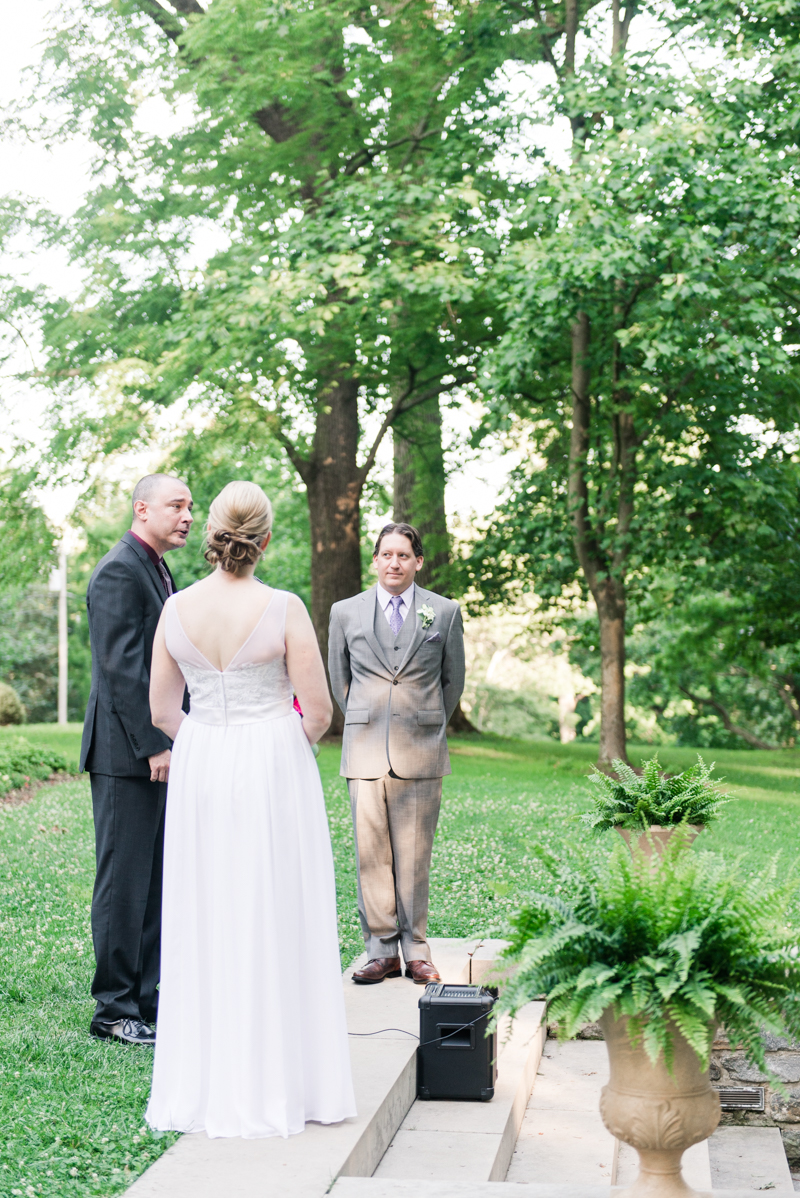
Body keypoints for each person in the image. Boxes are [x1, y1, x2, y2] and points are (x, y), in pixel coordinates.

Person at [146, 480, 356, 1138]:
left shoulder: (175, 609)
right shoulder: (284, 607)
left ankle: (207, 1083)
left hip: (202, 765)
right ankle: (285, 1081)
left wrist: (209, 744)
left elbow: (160, 711)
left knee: (206, 910)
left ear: (211, 533)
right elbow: (318, 713)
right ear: (265, 540)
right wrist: (273, 748)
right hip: (272, 767)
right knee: (276, 907)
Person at [81, 473, 194, 1046]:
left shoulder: (154, 566)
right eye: (176, 505)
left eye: (191, 507)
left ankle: (146, 1001)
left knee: (153, 882)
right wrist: (155, 744)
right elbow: (121, 671)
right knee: (124, 883)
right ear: (142, 507)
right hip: (128, 754)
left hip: (155, 751)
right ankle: (113, 1010)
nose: (187, 516)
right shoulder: (120, 570)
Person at [328, 522, 465, 985]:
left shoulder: (443, 612)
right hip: (365, 747)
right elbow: (338, 680)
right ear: (375, 560)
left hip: (421, 749)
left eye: (403, 556)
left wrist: (423, 721)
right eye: (386, 554)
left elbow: (453, 681)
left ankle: (416, 949)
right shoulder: (345, 612)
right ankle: (381, 950)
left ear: (418, 562)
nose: (394, 563)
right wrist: (366, 718)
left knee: (413, 854)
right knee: (371, 853)